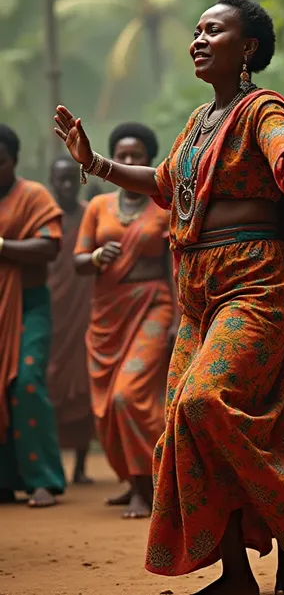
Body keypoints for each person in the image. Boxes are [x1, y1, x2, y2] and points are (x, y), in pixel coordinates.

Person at [54, 0, 284, 595]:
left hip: (256, 283)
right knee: (183, 423)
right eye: (196, 30)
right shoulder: (200, 122)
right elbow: (163, 182)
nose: (198, 39)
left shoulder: (263, 109)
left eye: (214, 30)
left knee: (203, 403)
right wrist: (94, 162)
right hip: (199, 295)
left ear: (248, 47)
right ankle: (235, 577)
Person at [72, 122, 176, 519]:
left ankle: (145, 487)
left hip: (153, 305)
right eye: (123, 154)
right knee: (107, 406)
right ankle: (132, 480)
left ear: (150, 160)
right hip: (108, 313)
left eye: (137, 156)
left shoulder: (163, 204)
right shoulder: (98, 207)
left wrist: (178, 320)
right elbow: (80, 261)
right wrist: (97, 258)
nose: (129, 161)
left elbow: (176, 265)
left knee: (128, 396)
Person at [0, 124, 66, 507]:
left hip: (29, 305)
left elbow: (49, 246)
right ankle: (6, 479)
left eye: (1, 162)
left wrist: (4, 246)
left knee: (25, 381)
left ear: (15, 161)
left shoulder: (34, 196)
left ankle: (43, 478)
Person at [47, 156, 94, 484]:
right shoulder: (45, 218)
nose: (65, 185)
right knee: (49, 382)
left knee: (84, 385)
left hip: (86, 309)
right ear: (51, 182)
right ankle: (52, 464)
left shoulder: (91, 215)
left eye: (70, 179)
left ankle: (80, 465)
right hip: (52, 310)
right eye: (59, 180)